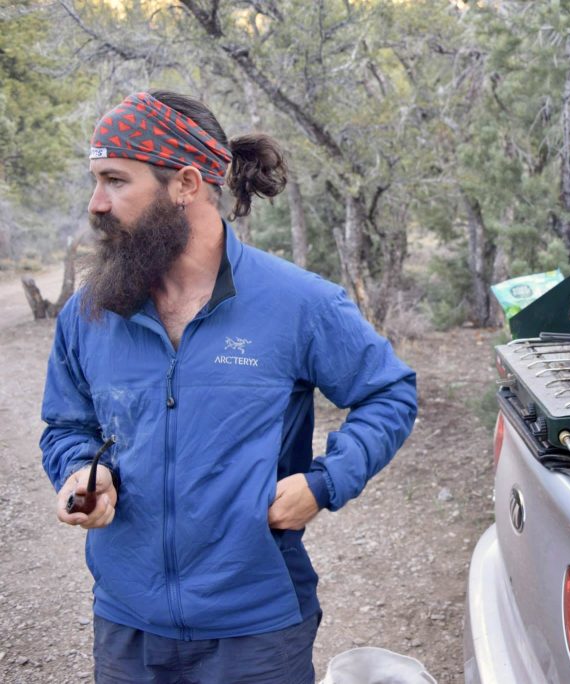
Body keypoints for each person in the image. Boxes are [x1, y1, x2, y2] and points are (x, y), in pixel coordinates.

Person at [39, 90, 418, 683]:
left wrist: (324, 483)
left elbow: (388, 393)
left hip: (257, 626)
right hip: (126, 622)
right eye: (96, 181)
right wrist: (81, 471)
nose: (97, 204)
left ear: (186, 183)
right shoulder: (89, 312)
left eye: (115, 180)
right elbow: (66, 425)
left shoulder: (297, 302)